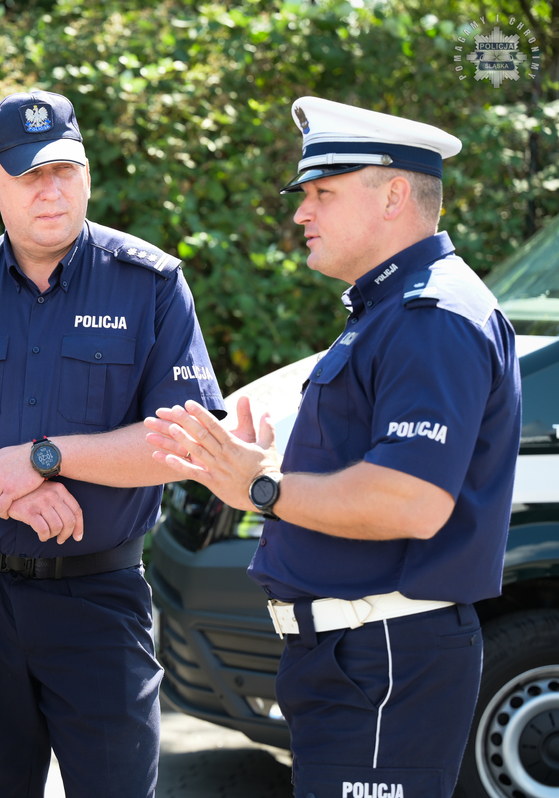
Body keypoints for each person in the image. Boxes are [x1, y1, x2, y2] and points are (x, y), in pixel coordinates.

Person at [146, 97, 522, 797]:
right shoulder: (393, 310)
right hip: (358, 656)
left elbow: (409, 501)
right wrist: (260, 469)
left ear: (395, 196)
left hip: (382, 655)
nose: (301, 213)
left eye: (322, 192)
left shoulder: (430, 317)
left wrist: (263, 486)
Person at [0, 89, 225, 798]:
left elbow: (184, 441)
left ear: (87, 176)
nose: (51, 189)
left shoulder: (150, 285)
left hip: (97, 594)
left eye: (64, 170)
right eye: (30, 174)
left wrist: (42, 457)